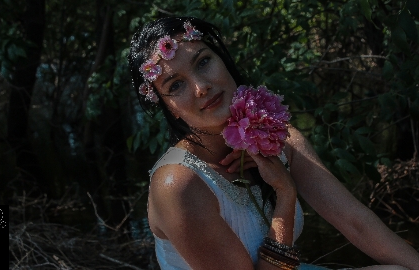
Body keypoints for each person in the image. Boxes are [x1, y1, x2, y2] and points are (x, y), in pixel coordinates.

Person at [128, 16, 419, 270]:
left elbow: (355, 222)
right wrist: (285, 193)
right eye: (175, 85)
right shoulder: (178, 184)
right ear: (168, 108)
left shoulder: (281, 137)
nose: (201, 87)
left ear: (223, 60)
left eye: (203, 61)